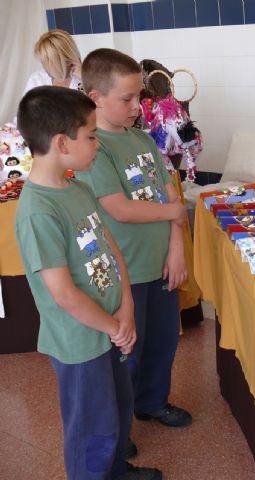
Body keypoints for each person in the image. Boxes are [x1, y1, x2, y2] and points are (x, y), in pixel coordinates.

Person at [15, 86, 161, 479]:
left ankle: (116, 471)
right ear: (62, 143)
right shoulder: (37, 211)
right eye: (92, 136)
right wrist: (115, 326)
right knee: (91, 428)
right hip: (81, 341)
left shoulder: (77, 187)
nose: (98, 145)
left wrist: (126, 307)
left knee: (116, 409)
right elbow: (62, 293)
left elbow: (113, 253)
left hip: (111, 327)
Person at [76, 49, 192, 448]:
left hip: (161, 264)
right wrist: (174, 212)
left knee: (163, 342)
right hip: (126, 272)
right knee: (126, 355)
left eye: (138, 96)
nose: (136, 106)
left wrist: (177, 247)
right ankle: (118, 430)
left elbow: (169, 189)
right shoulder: (94, 148)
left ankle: (152, 402)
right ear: (95, 98)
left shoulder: (142, 137)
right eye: (126, 98)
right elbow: (119, 208)